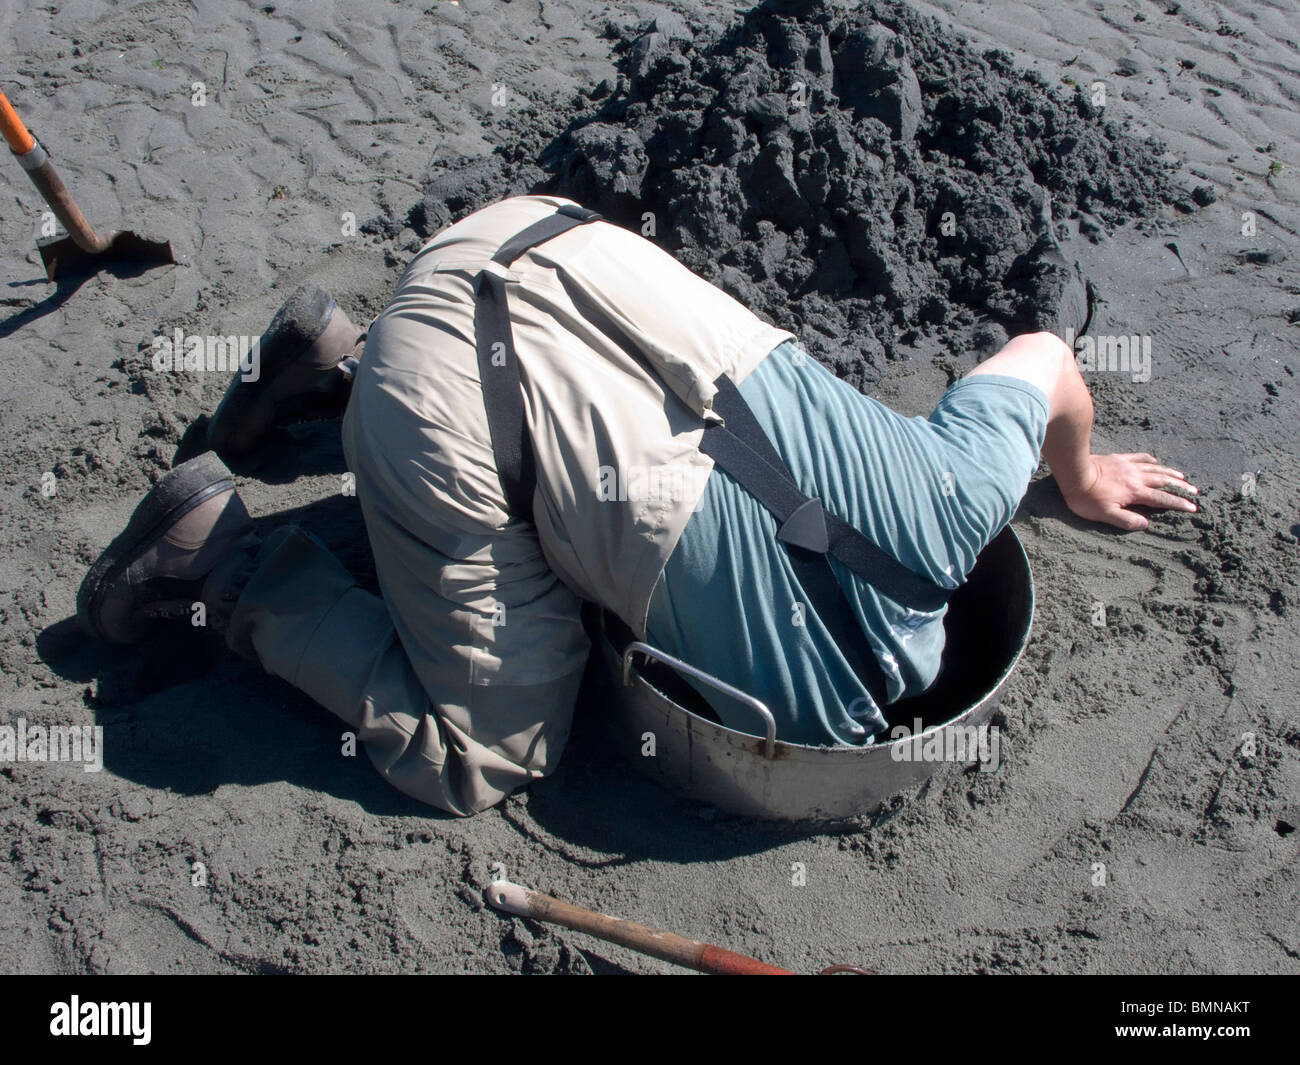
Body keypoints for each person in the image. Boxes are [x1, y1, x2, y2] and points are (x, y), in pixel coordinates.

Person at [77, 195, 1198, 815]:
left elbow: (1047, 357)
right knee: (486, 758)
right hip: (458, 398)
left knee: (583, 439)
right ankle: (221, 560)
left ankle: (343, 363)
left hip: (540, 241)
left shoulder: (952, 499)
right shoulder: (788, 720)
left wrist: (1077, 473)